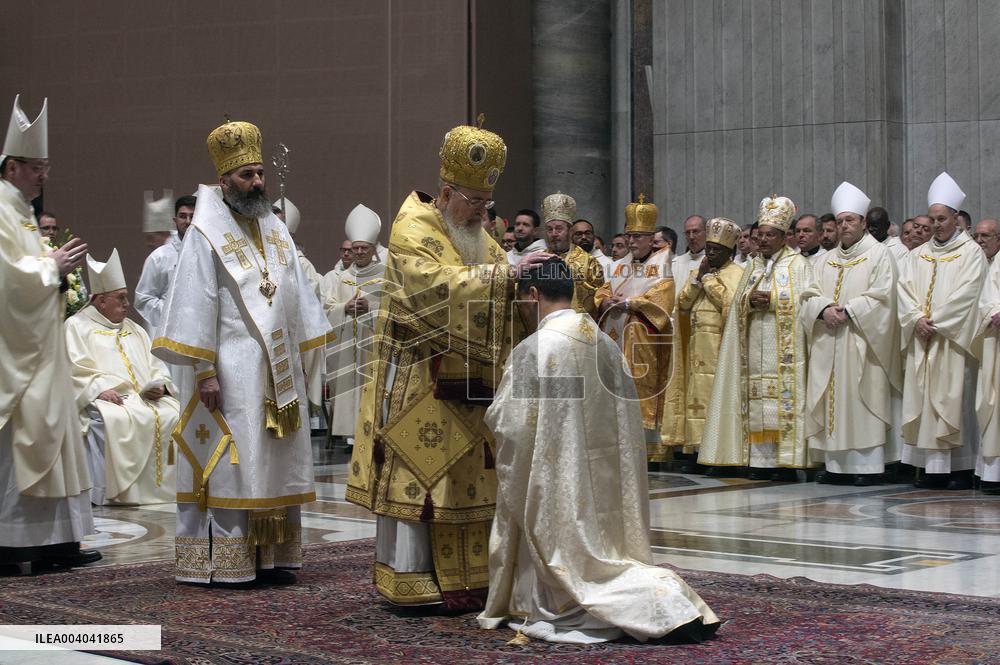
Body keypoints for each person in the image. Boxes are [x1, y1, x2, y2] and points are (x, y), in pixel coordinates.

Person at [344, 118, 549, 611]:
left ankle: (472, 578)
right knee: (424, 473)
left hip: (472, 383)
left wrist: (530, 295)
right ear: (446, 191)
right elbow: (431, 286)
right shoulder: (413, 225)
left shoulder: (481, 238)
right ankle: (412, 579)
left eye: (486, 204)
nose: (482, 213)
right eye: (473, 202)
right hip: (419, 377)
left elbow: (499, 281)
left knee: (468, 477)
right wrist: (504, 276)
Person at [478, 257, 719, 644]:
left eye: (522, 301)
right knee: (607, 552)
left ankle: (632, 603)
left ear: (534, 295)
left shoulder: (537, 347)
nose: (521, 310)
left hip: (561, 479)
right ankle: (665, 600)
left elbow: (516, 426)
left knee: (575, 564)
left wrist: (492, 425)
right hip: (607, 483)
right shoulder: (606, 343)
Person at [152, 118, 331, 585]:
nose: (257, 183)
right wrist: (203, 369)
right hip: (230, 366)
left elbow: (292, 288)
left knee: (273, 460)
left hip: (276, 365)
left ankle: (271, 558)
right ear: (223, 180)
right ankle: (231, 560)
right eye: (246, 176)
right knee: (237, 461)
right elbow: (195, 303)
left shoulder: (272, 225)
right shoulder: (205, 233)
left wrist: (302, 355)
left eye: (259, 173)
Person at [0, 94, 99, 570]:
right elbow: (7, 279)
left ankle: (59, 540)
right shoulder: (1, 208)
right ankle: (16, 541)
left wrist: (55, 274)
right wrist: (50, 267)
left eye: (47, 167)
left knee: (58, 430)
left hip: (42, 347)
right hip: (16, 352)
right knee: (28, 434)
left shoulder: (18, 207)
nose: (44, 176)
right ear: (12, 166)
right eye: (36, 167)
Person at [697, 195, 821, 480]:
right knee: (755, 402)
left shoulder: (798, 265)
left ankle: (784, 464)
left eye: (770, 235)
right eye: (760, 235)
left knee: (781, 402)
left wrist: (775, 301)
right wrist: (749, 301)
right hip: (753, 348)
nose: (763, 240)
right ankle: (758, 461)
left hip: (784, 354)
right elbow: (738, 301)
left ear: (784, 237)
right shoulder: (752, 266)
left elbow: (808, 301)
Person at [801, 183, 901, 486]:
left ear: (862, 223)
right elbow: (807, 295)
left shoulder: (880, 255)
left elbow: (885, 297)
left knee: (862, 397)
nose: (844, 226)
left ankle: (866, 467)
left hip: (862, 342)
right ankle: (835, 465)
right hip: (829, 342)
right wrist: (823, 310)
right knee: (832, 397)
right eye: (840, 221)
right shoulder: (824, 260)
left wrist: (850, 310)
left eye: (851, 221)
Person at [66, 249, 179, 505]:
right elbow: (73, 369)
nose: (127, 304)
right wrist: (98, 390)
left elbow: (155, 364)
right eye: (121, 298)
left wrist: (160, 385)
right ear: (100, 301)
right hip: (110, 399)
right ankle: (120, 492)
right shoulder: (76, 327)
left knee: (174, 413)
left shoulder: (135, 329)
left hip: (143, 398)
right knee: (116, 418)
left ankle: (166, 490)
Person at [897, 172, 986, 490]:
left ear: (956, 219)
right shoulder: (916, 255)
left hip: (952, 342)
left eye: (942, 219)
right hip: (923, 338)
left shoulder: (971, 253)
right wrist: (916, 319)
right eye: (932, 219)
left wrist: (935, 322)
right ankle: (930, 469)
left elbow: (969, 295)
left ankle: (959, 469)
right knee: (924, 399)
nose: (936, 225)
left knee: (954, 399)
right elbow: (904, 291)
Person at [596, 195, 675, 463]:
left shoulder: (661, 265)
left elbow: (662, 301)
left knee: (640, 388)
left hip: (642, 339)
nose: (631, 241)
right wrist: (605, 300)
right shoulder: (618, 265)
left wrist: (630, 303)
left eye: (638, 236)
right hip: (615, 337)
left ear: (651, 238)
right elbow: (603, 291)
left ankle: (647, 451)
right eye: (629, 236)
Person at [661, 218, 745, 469]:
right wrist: (699, 279)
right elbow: (683, 304)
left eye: (715, 250)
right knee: (695, 397)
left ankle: (714, 452)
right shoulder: (699, 272)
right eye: (708, 248)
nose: (709, 253)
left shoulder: (738, 274)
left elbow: (732, 305)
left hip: (720, 348)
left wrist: (708, 281)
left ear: (730, 252)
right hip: (696, 347)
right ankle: (694, 449)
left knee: (714, 400)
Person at [323, 204, 385, 451]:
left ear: (373, 249)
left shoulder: (384, 277)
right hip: (346, 349)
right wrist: (344, 308)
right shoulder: (340, 278)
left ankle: (374, 432)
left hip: (373, 347)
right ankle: (351, 435)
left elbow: (393, 310)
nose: (359, 252)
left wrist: (371, 308)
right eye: (356, 248)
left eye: (364, 248)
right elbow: (327, 309)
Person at [135, 194, 196, 331]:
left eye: (192, 217)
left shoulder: (210, 252)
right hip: (168, 330)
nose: (187, 221)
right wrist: (173, 312)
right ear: (175, 221)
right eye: (183, 216)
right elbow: (143, 299)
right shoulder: (159, 257)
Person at [541, 193, 605, 318]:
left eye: (559, 229)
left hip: (577, 330)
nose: (554, 234)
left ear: (570, 231)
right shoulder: (538, 261)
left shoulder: (590, 262)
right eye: (549, 229)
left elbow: (601, 299)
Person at [272, 197, 322, 299]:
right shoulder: (260, 259)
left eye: (281, 232)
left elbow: (310, 298)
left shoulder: (302, 264)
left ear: (291, 236)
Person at [672, 215, 707, 288]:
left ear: (707, 233)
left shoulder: (713, 262)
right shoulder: (675, 263)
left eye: (695, 231)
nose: (691, 237)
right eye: (687, 232)